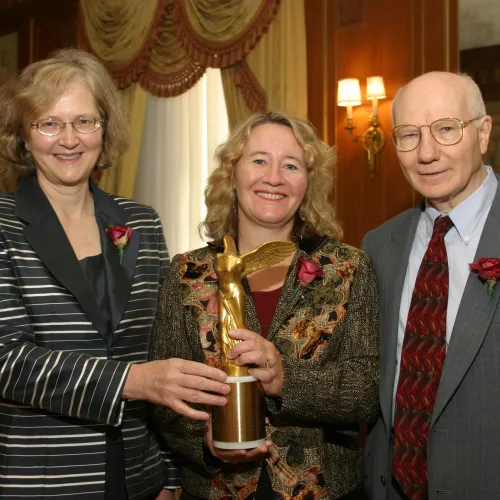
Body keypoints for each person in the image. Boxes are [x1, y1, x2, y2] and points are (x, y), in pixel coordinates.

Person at [0, 48, 230, 499]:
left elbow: (158, 349)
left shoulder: (141, 222)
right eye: (49, 123)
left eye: (85, 121)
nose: (70, 139)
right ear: (25, 137)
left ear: (105, 129)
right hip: (40, 480)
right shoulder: (4, 226)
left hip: (138, 476)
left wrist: (167, 475)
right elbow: (6, 360)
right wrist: (132, 381)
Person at [150, 111, 380, 499]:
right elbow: (165, 400)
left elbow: (366, 391)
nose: (274, 177)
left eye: (290, 165)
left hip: (325, 490)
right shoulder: (187, 272)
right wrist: (202, 437)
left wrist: (286, 378)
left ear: (308, 183)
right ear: (232, 174)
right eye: (259, 160)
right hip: (213, 488)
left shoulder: (349, 269)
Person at [362, 72, 499, 499]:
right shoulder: (379, 245)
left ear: (482, 133)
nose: (426, 153)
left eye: (445, 129)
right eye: (408, 135)